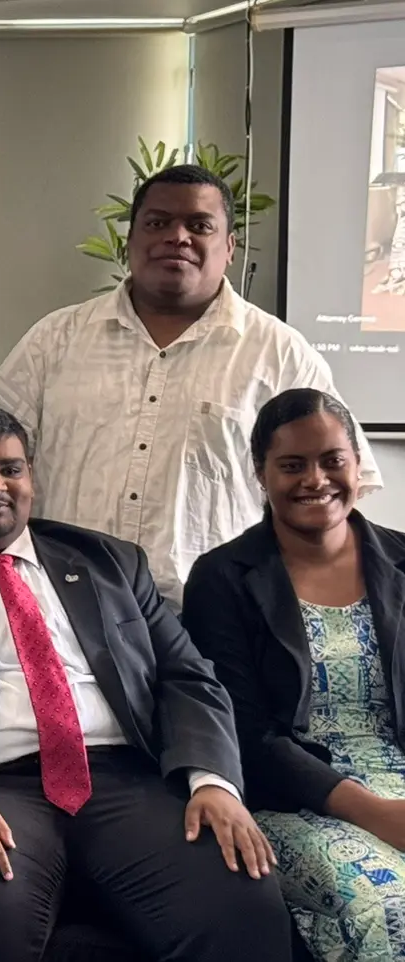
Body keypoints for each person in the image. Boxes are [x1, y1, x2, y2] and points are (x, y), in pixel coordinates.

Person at [0, 403, 289, 962]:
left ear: (31, 479)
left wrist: (214, 781)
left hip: (123, 778)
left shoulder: (110, 561)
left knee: (241, 898)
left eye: (11, 469)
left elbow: (187, 675)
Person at [0, 163, 381, 609]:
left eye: (199, 225)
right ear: (131, 240)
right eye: (157, 223)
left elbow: (334, 492)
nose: (178, 237)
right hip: (61, 606)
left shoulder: (281, 355)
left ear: (229, 247)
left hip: (217, 616)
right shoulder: (54, 340)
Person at [184, 388, 405, 960]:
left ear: (357, 464)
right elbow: (246, 736)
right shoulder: (222, 579)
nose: (316, 479)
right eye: (292, 465)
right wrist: (376, 813)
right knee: (389, 906)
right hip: (298, 800)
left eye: (332, 460)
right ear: (260, 473)